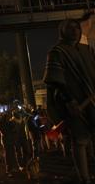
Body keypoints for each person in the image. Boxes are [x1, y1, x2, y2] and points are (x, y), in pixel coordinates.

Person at [44, 19, 95, 184]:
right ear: (62, 31)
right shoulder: (57, 52)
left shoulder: (87, 50)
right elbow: (55, 80)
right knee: (79, 141)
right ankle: (85, 178)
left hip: (91, 101)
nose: (74, 31)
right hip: (73, 104)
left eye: (76, 28)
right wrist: (69, 100)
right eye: (70, 28)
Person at [0, 111, 18, 176]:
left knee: (12, 153)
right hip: (6, 141)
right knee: (8, 155)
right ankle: (8, 170)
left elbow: (14, 129)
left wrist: (13, 128)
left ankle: (13, 168)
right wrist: (11, 131)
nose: (8, 118)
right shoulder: (1, 123)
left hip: (11, 140)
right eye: (7, 117)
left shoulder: (10, 122)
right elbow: (3, 132)